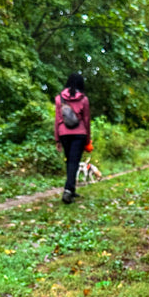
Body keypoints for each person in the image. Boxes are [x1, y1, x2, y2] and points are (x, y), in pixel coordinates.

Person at [54, 72, 91, 203]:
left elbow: (57, 119)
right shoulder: (84, 100)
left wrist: (57, 139)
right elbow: (86, 120)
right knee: (74, 162)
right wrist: (87, 139)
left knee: (69, 161)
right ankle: (68, 190)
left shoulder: (59, 99)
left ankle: (71, 189)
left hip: (64, 133)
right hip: (79, 134)